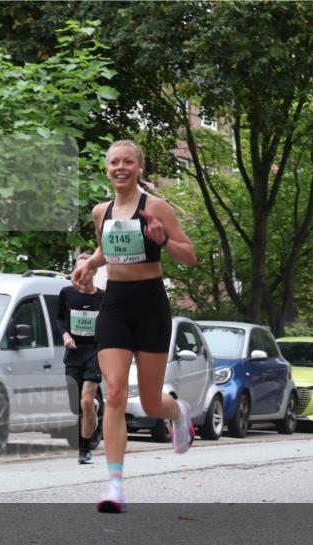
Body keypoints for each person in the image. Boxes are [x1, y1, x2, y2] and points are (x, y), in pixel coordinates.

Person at [71, 139, 198, 513]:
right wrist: (90, 266)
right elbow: (104, 250)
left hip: (149, 304)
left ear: (138, 168)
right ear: (107, 168)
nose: (120, 168)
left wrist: (162, 241)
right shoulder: (100, 212)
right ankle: (114, 486)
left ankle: (176, 412)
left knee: (149, 401)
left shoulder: (156, 207)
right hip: (114, 304)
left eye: (128, 162)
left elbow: (188, 255)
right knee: (112, 393)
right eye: (114, 162)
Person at [57, 252, 105, 464]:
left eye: (86, 269)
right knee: (75, 405)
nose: (82, 274)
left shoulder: (103, 298)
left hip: (94, 352)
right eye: (77, 269)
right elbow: (59, 318)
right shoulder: (66, 293)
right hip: (74, 353)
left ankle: (84, 449)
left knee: (86, 400)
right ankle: (91, 409)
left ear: (94, 270)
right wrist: (65, 335)